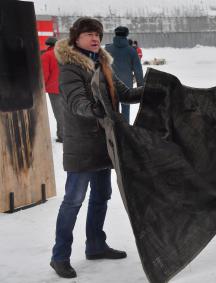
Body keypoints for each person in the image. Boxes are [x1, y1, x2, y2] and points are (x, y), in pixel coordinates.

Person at [50, 17, 144, 279]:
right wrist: (94, 108)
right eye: (89, 34)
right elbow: (75, 101)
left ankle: (95, 244)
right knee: (73, 201)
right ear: (76, 37)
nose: (95, 39)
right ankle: (59, 256)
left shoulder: (102, 64)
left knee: (102, 196)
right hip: (82, 146)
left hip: (104, 143)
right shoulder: (70, 67)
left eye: (98, 35)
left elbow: (124, 93)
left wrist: (154, 90)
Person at [106, 27, 144, 123]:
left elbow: (100, 67)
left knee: (112, 109)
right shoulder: (131, 51)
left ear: (115, 34)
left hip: (110, 84)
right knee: (126, 110)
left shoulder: (107, 49)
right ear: (126, 35)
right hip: (127, 85)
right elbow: (138, 71)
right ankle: (125, 131)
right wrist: (141, 88)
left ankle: (113, 131)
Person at [41, 36, 63, 143]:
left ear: (48, 45)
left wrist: (42, 88)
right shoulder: (63, 55)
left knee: (59, 113)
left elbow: (44, 74)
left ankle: (63, 136)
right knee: (66, 112)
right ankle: (67, 135)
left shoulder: (46, 55)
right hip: (66, 87)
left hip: (54, 89)